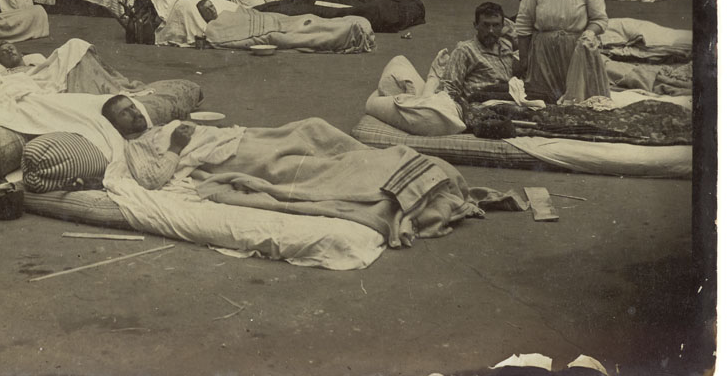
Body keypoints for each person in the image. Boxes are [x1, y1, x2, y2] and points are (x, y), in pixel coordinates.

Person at [99, 96, 478, 246]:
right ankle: (388, 178)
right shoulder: (136, 148)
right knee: (304, 165)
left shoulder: (158, 125)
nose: (134, 114)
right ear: (117, 126)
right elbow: (151, 179)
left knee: (312, 128)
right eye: (125, 115)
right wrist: (179, 146)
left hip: (240, 136)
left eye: (132, 108)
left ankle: (389, 163)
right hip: (227, 158)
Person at [514, 0, 611, 103]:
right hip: (544, 53)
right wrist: (524, 58)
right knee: (545, 101)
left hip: (576, 52)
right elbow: (524, 23)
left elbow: (600, 19)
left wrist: (589, 32)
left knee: (577, 100)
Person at [439, 2, 522, 103]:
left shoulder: (506, 46)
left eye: (496, 25)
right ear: (476, 25)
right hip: (482, 105)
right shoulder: (465, 51)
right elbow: (448, 88)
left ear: (502, 26)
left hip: (510, 100)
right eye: (486, 25)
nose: (491, 30)